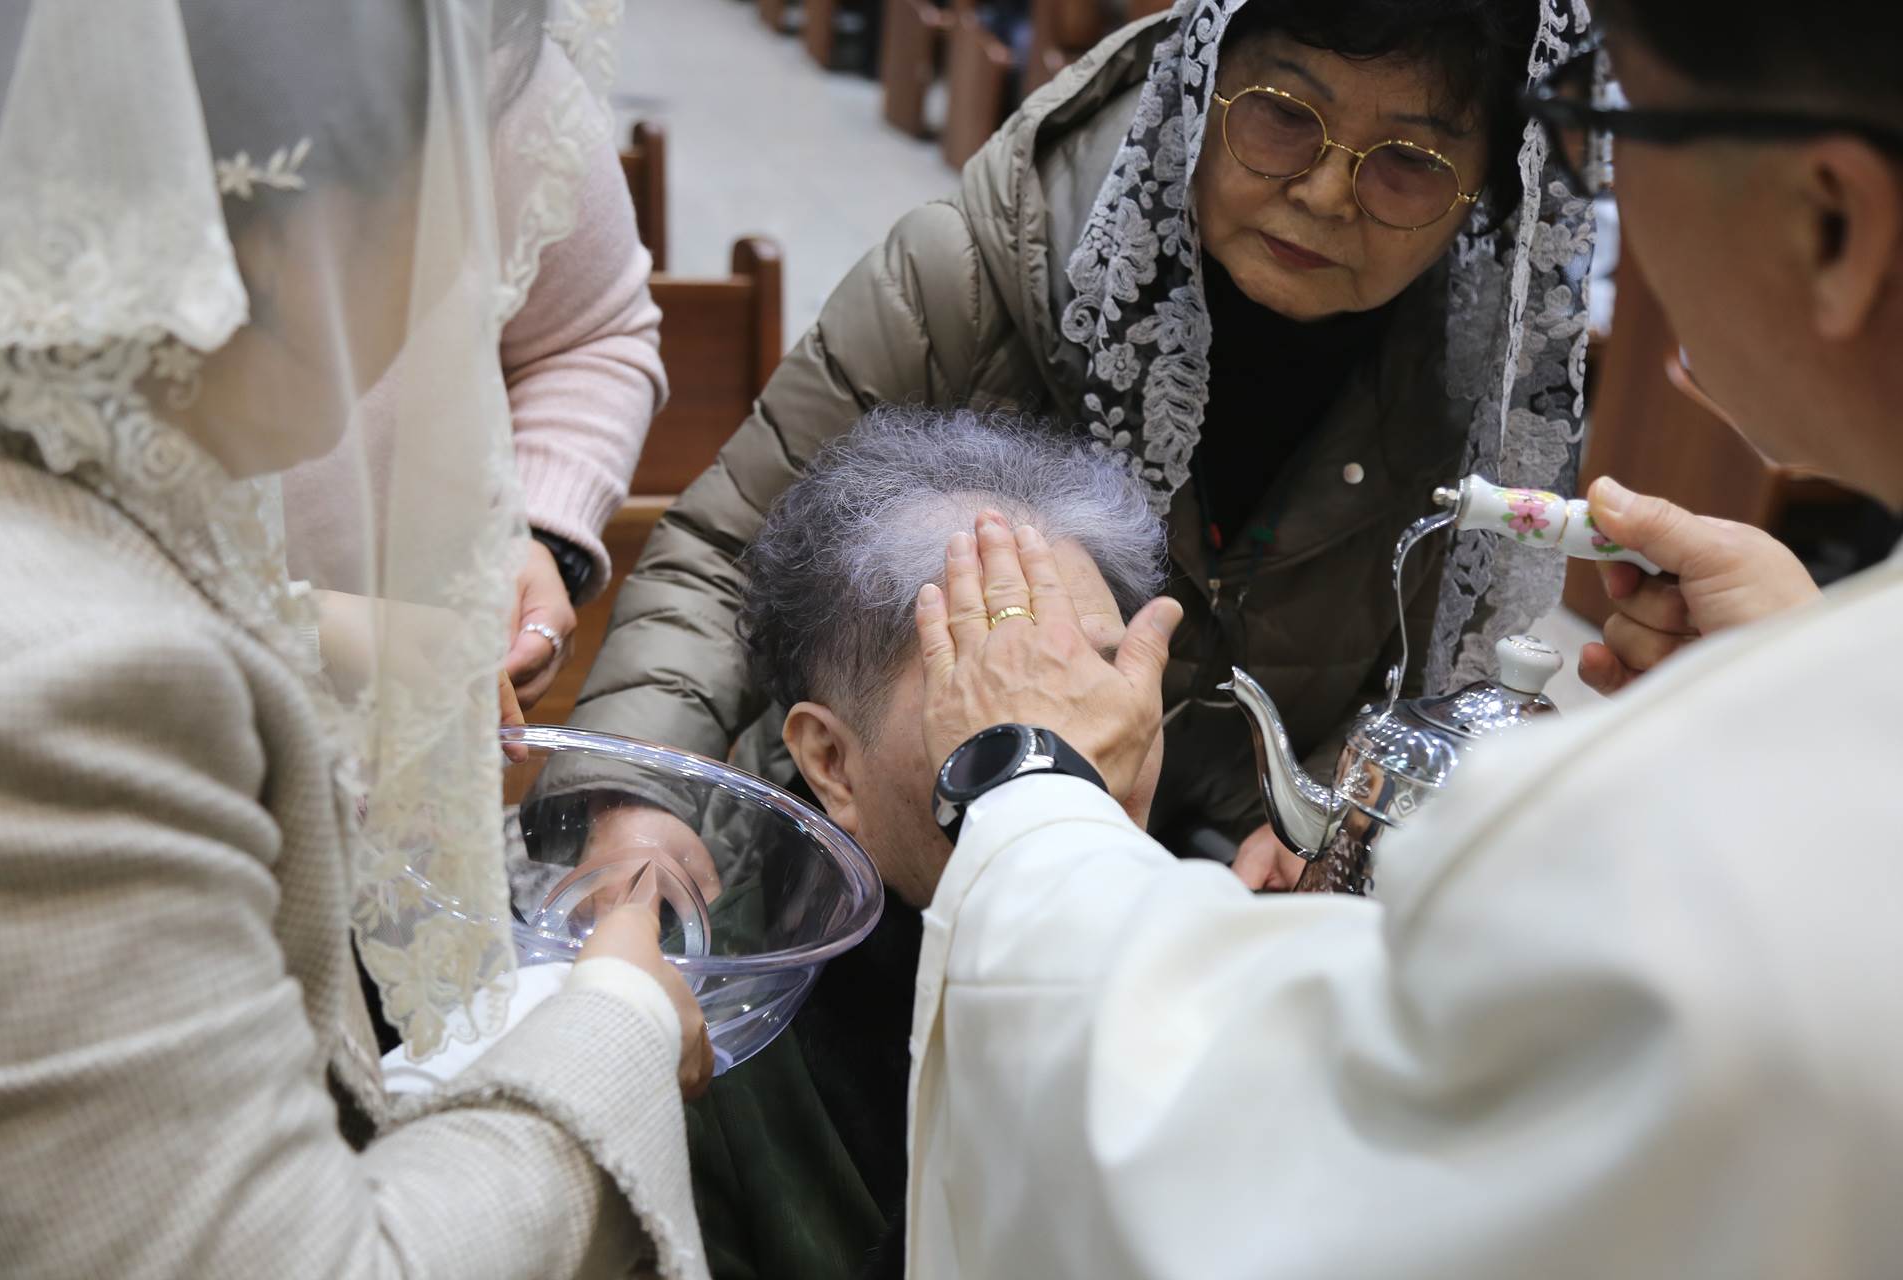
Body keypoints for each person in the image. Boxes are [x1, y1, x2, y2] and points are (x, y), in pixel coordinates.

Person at [897, 0, 1903, 1273]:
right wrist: (1795, 666)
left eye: (1614, 128)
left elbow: (1247, 1171)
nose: (1328, 195)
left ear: (1835, 225)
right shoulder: (1832, 721)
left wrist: (1029, 781)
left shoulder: (1671, 838)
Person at [0, 3, 710, 1276]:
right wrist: (618, 1020)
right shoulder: (86, 694)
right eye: (441, 225)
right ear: (282, 241)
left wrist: (385, 630)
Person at [573, 0, 1596, 892]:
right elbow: (728, 552)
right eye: (1284, 116)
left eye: (1410, 165)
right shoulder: (974, 275)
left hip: (1185, 912)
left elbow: (1422, 675)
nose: (1328, 194)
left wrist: (1323, 808)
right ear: (1198, 86)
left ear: (1489, 188)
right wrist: (637, 790)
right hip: (872, 866)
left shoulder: (1476, 394)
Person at [681, 408, 1169, 1280]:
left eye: (1100, 668)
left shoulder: (1215, 945)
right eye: (995, 676)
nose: (1093, 731)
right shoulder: (706, 1041)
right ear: (831, 762)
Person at [282, 29, 669, 711]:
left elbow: (588, 333)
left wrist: (537, 534)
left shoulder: (477, 40)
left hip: (421, 691)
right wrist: (310, 628)